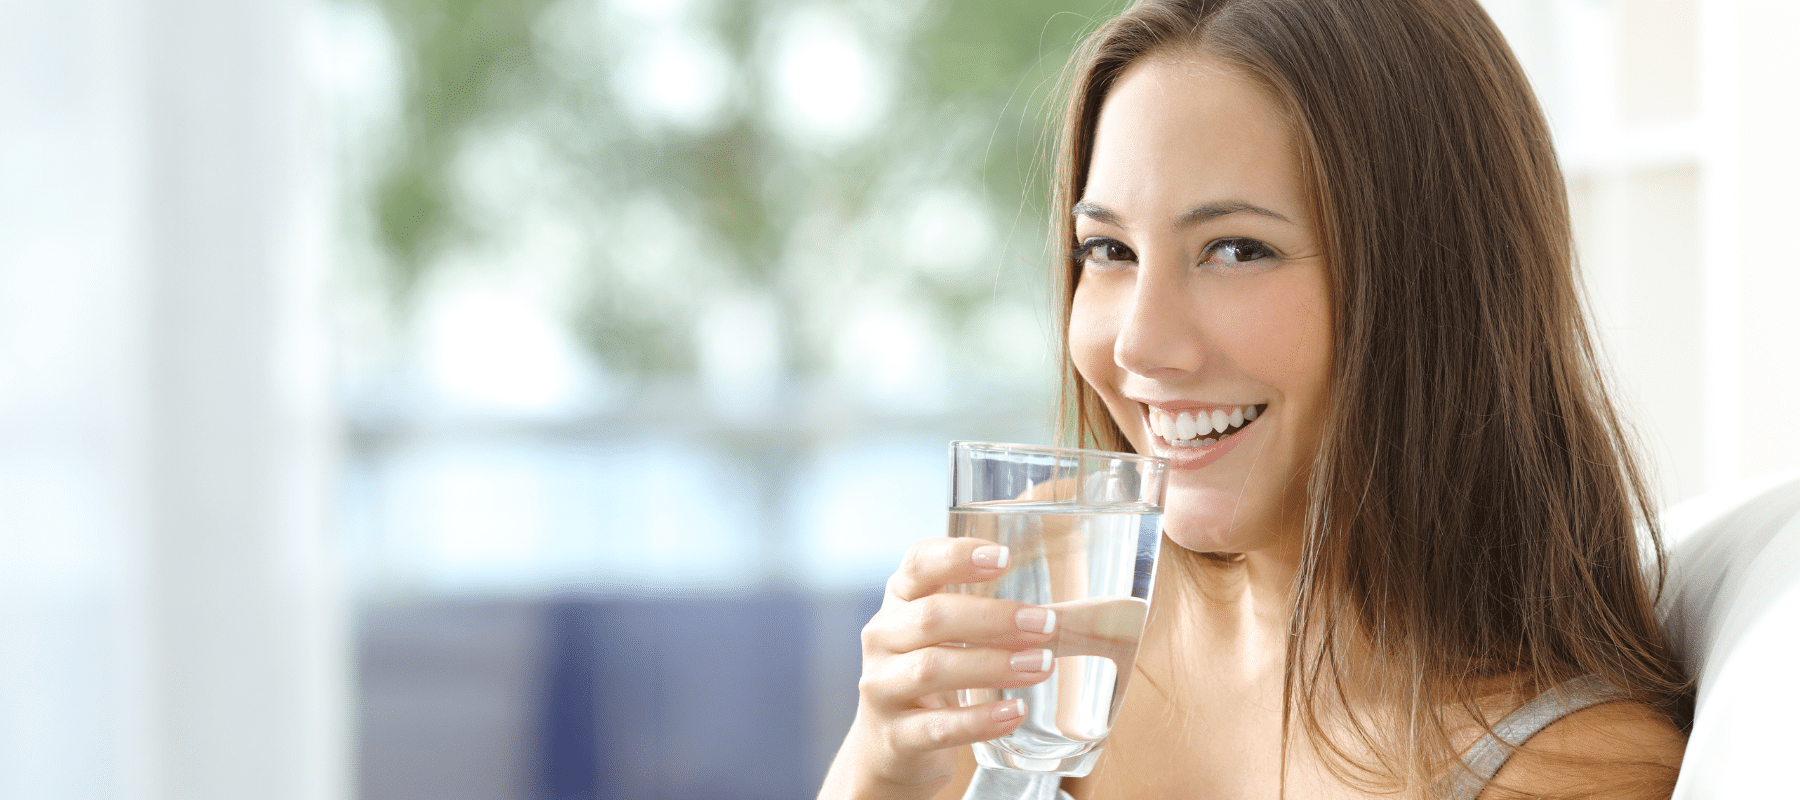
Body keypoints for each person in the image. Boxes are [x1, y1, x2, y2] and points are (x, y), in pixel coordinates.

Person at [818, 0, 1692, 798]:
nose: (1137, 346)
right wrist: (882, 772)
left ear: (1437, 285)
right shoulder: (1057, 595)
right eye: (1109, 250)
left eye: (1236, 250)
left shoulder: (1568, 769)